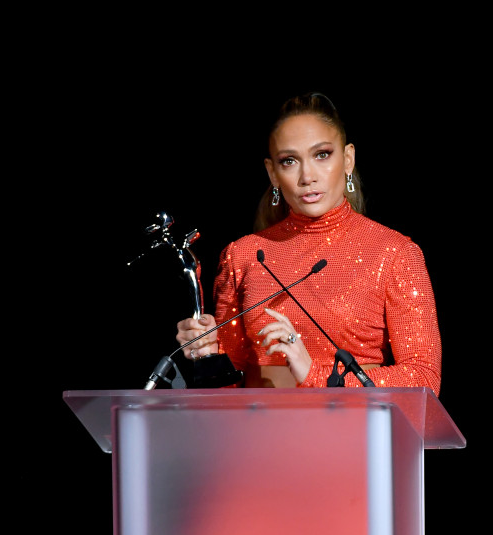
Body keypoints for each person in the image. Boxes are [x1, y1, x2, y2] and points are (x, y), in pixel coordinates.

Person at [175, 91, 442, 395]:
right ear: (272, 173)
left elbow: (424, 379)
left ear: (348, 159)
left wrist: (314, 375)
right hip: (258, 434)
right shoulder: (242, 255)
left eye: (322, 154)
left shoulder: (394, 253)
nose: (307, 176)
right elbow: (225, 386)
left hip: (351, 432)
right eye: (289, 161)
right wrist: (207, 355)